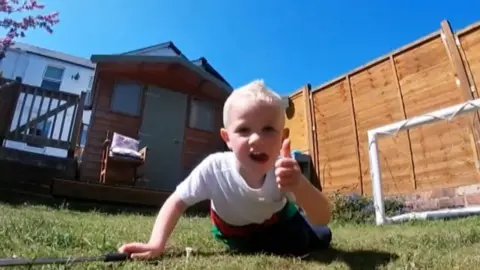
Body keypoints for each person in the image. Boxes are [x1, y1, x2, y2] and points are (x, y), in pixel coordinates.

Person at [118, 79, 333, 259]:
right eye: (244, 130)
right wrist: (156, 243)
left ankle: (299, 228)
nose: (256, 139)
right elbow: (177, 201)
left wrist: (300, 185)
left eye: (268, 129)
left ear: (282, 138)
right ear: (227, 138)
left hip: (277, 219)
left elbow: (323, 215)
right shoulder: (215, 168)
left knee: (320, 236)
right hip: (235, 233)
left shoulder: (283, 172)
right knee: (288, 243)